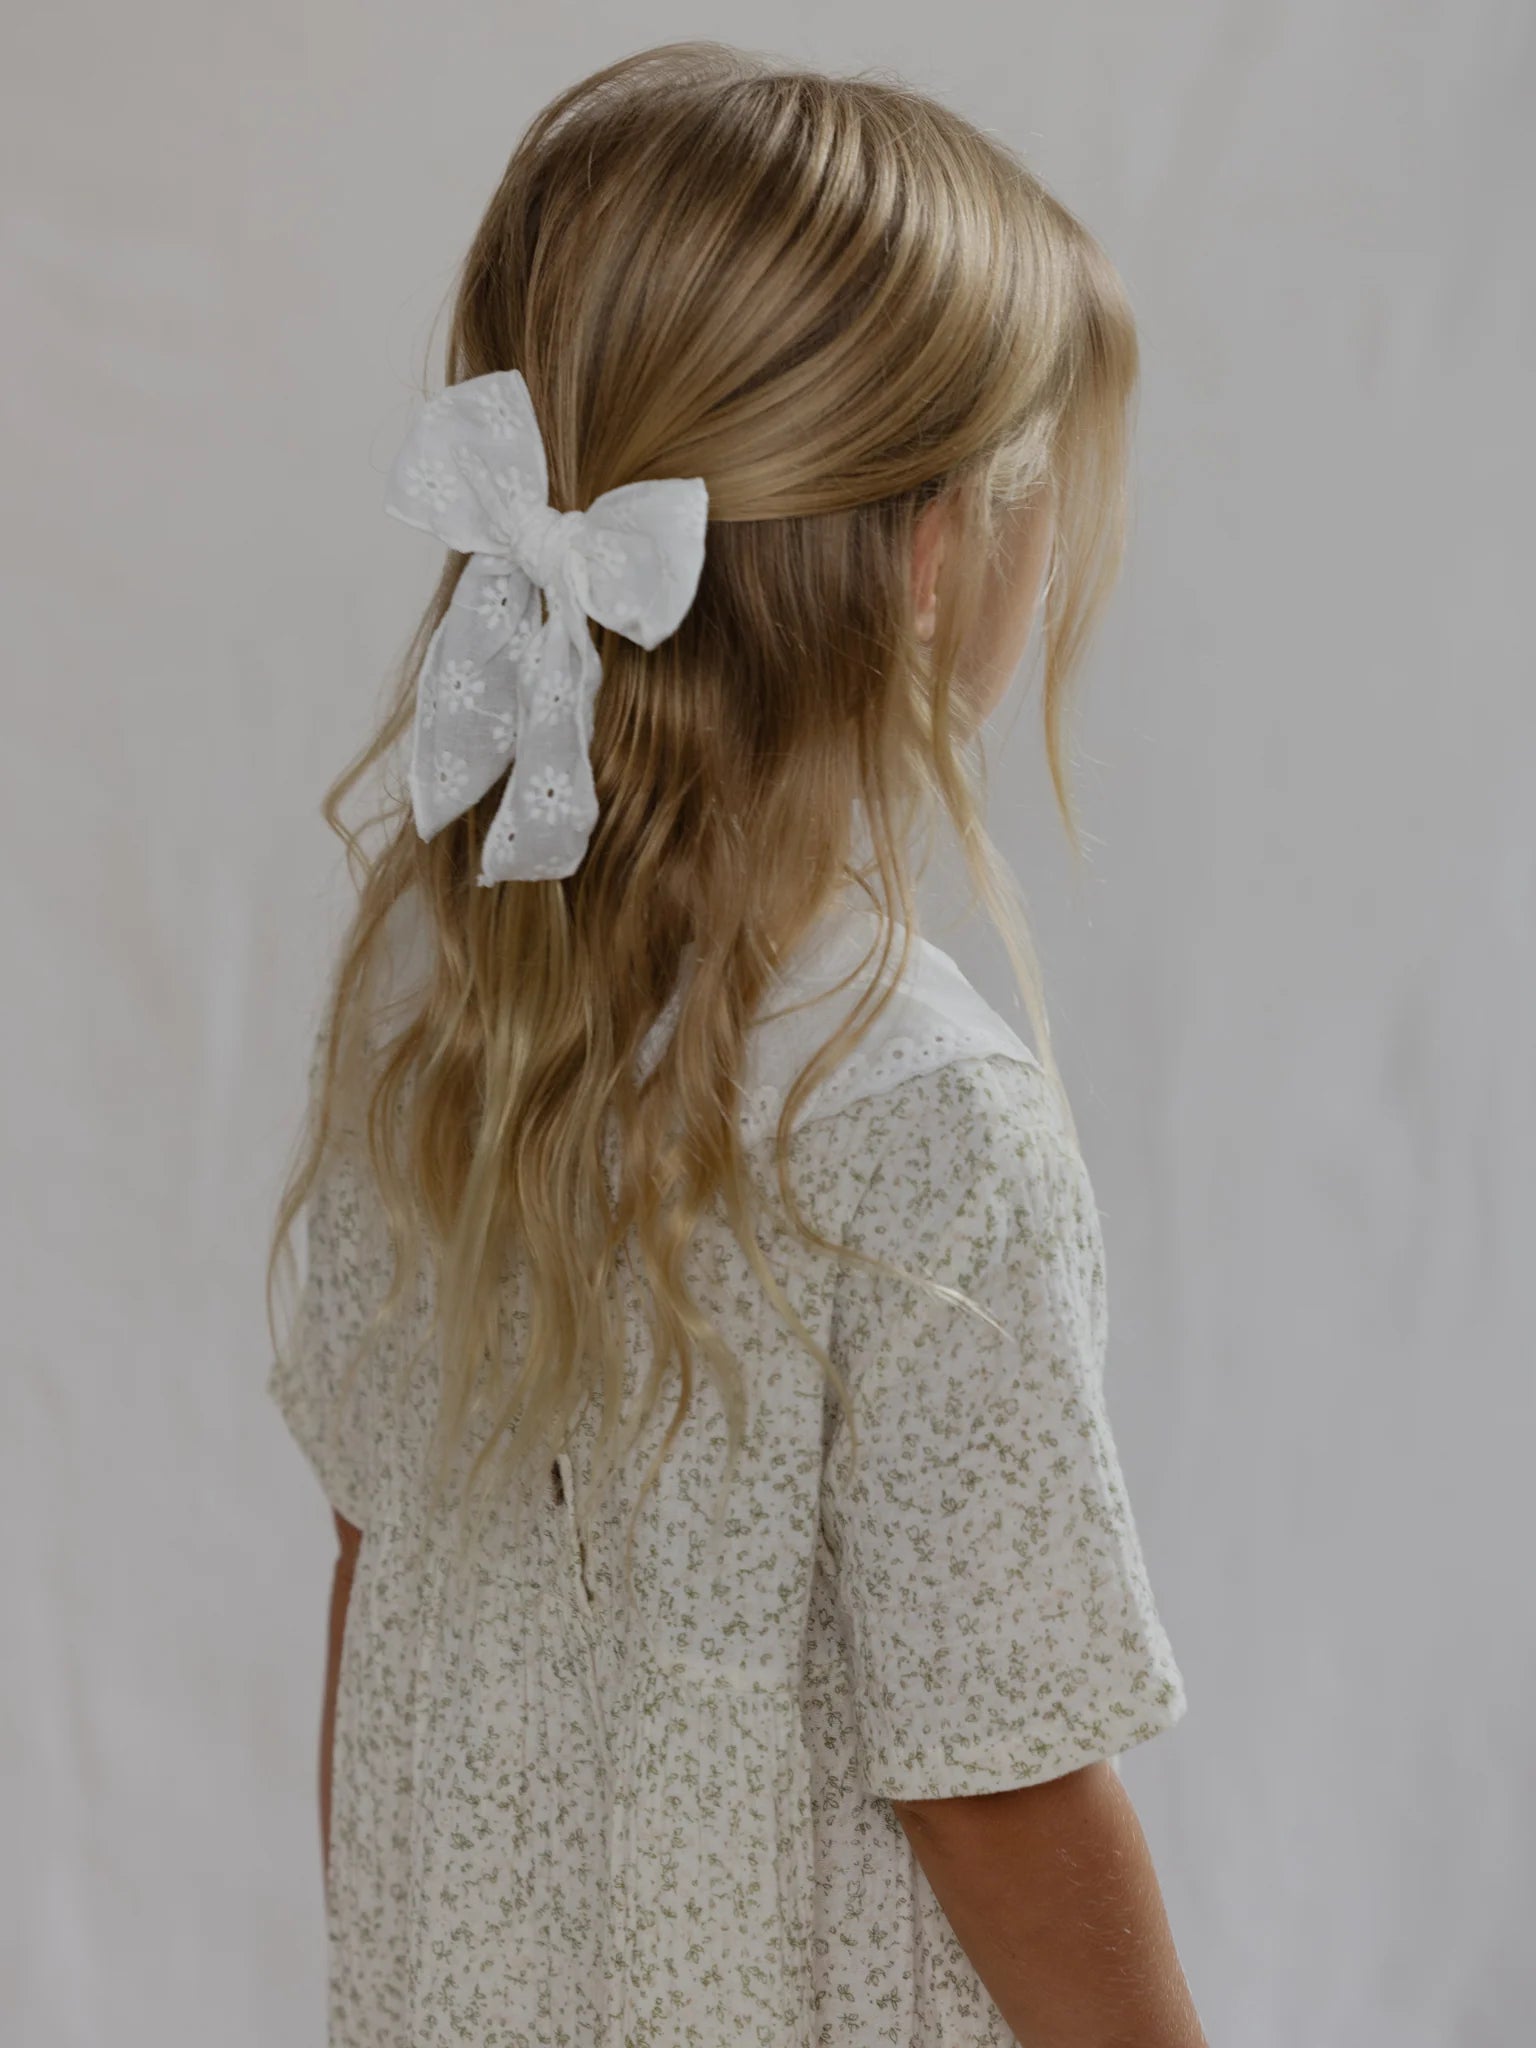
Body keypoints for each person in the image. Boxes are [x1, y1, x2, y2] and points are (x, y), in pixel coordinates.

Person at [266, 39, 1206, 2048]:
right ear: (944, 556)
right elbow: (1001, 1776)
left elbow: (372, 1588)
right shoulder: (919, 1124)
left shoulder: (440, 1011)